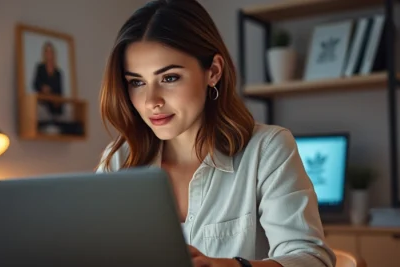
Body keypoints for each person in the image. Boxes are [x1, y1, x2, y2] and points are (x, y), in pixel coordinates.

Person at [95, 0, 336, 267]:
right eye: (137, 82)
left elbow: (312, 260)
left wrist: (231, 266)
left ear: (213, 71)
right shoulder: (119, 159)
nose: (152, 101)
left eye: (169, 78)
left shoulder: (267, 149)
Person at [32, 41, 64, 120]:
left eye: (51, 52)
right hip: (43, 103)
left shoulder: (58, 73)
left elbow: (60, 90)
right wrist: (43, 88)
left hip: (54, 105)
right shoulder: (40, 68)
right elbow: (35, 84)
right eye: (47, 52)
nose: (49, 54)